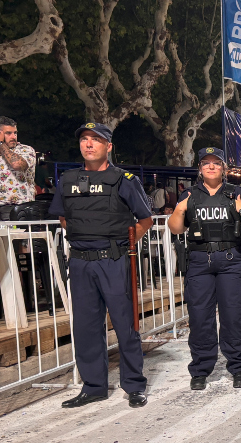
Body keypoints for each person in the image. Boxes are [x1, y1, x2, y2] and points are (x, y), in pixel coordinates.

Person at [49, 123, 153, 409]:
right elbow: (64, 217)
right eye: (84, 139)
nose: (89, 144)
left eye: (96, 140)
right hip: (81, 263)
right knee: (85, 327)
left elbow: (145, 220)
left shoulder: (124, 179)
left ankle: (133, 385)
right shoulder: (68, 179)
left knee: (125, 325)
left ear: (108, 146)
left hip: (114, 261)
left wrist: (123, 246)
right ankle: (94, 387)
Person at [167, 147, 241, 391]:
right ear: (199, 168)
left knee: (232, 317)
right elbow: (176, 228)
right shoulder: (190, 195)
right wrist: (179, 209)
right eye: (206, 163)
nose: (211, 167)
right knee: (200, 318)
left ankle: (238, 368)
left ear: (224, 168)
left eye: (216, 163)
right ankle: (200, 369)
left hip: (231, 260)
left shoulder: (237, 192)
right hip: (199, 260)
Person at [0, 116, 37, 219]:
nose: (13, 136)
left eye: (15, 133)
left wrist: (0, 143)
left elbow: (17, 165)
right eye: (8, 133)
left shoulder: (25, 150)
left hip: (16, 208)